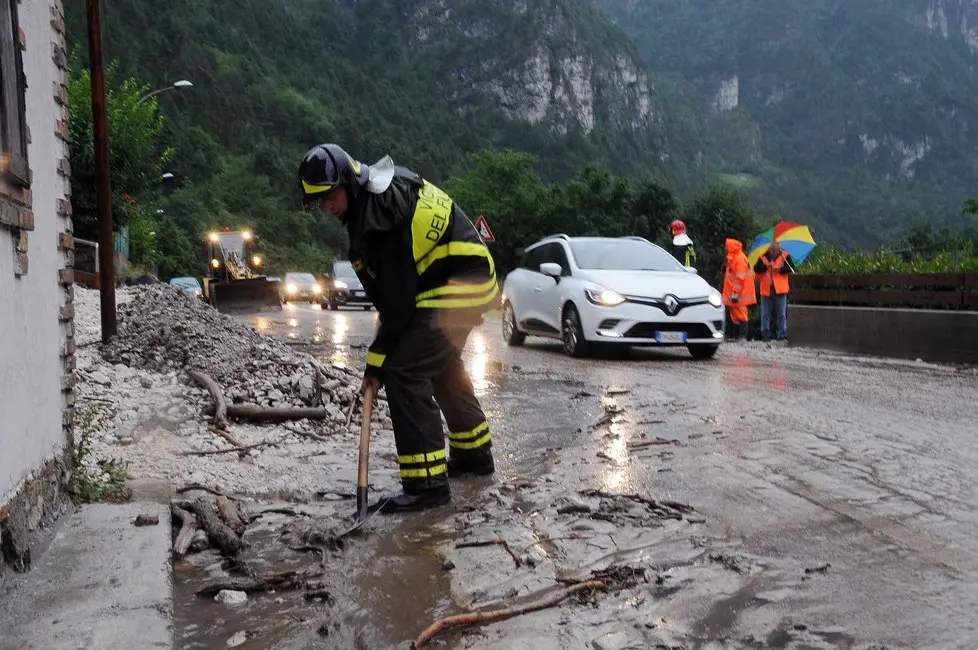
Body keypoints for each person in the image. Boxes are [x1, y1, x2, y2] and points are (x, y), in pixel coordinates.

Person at [297, 143, 498, 513]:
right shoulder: (378, 198)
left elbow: (398, 307)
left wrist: (377, 365)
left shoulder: (379, 219)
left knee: (405, 371)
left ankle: (427, 487)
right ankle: (474, 456)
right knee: (438, 364)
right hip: (461, 281)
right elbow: (394, 301)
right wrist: (377, 359)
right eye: (319, 202)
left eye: (329, 196)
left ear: (349, 182)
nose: (327, 207)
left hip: (459, 286)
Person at [753, 241, 794, 342]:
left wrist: (780, 270)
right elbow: (756, 269)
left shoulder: (785, 256)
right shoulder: (763, 257)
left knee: (781, 314)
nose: (775, 252)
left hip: (780, 290)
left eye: (777, 250)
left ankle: (782, 335)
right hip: (766, 289)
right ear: (770, 249)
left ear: (779, 249)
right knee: (765, 314)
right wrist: (766, 267)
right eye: (773, 250)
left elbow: (791, 268)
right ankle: (765, 335)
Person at [722, 238, 756, 340]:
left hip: (740, 293)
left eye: (727, 247)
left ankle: (742, 336)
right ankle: (736, 336)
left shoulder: (739, 258)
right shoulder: (733, 257)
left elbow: (740, 278)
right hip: (735, 292)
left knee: (741, 315)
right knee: (735, 315)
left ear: (731, 248)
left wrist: (735, 293)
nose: (726, 249)